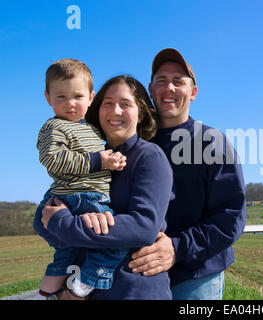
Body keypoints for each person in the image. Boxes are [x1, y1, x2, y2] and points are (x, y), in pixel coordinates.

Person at [40, 75, 174, 300]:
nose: (115, 111)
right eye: (108, 103)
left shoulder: (149, 157)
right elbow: (47, 220)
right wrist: (56, 221)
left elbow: (144, 226)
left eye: (126, 104)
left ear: (141, 114)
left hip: (133, 291)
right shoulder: (89, 159)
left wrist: (68, 223)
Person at [128, 48, 247, 299]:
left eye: (178, 82)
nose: (169, 87)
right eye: (161, 80)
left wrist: (176, 248)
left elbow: (231, 217)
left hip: (195, 279)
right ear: (150, 89)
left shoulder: (211, 143)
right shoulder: (136, 142)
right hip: (141, 278)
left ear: (193, 93)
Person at [33, 59, 128, 299]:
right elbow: (54, 160)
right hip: (76, 196)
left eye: (77, 96)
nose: (70, 104)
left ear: (90, 97)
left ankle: (48, 290)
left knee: (67, 251)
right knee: (116, 239)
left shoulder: (92, 128)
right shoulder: (54, 127)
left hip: (86, 195)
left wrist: (112, 161)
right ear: (48, 98)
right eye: (61, 97)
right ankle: (87, 280)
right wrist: (99, 161)